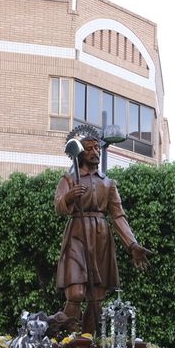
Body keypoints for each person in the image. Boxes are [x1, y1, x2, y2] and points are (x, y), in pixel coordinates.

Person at [52, 125, 152, 333]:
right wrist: (69, 197)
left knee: (96, 297)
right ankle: (67, 338)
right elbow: (59, 206)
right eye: (89, 148)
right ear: (80, 153)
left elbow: (118, 216)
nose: (95, 152)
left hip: (101, 239)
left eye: (97, 148)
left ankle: (88, 341)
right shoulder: (69, 179)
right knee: (76, 293)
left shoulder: (108, 183)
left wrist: (132, 245)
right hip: (77, 235)